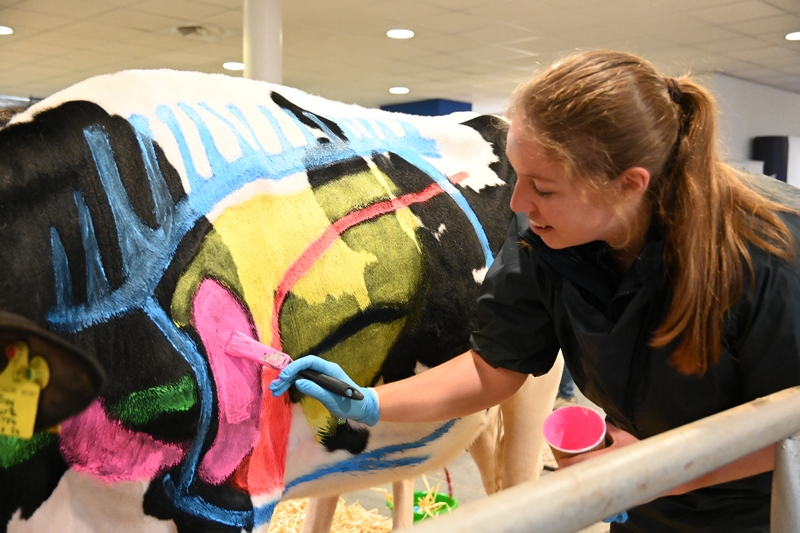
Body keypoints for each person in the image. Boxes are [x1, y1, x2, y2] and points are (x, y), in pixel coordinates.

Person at [269, 49, 800, 532]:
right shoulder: (548, 237)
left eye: (544, 188)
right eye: (518, 176)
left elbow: (791, 432)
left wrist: (660, 468)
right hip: (645, 494)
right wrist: (369, 402)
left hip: (770, 505)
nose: (520, 202)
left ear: (630, 184)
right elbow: (492, 368)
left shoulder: (768, 254)